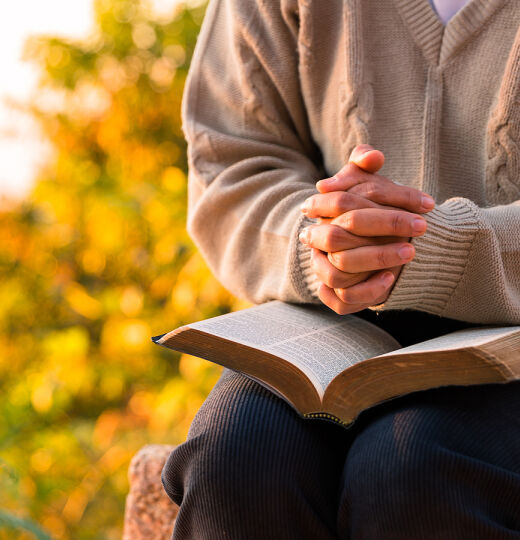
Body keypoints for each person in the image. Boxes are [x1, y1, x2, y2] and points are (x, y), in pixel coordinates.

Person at [161, 0, 520, 538]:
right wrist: (323, 245)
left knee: (414, 474)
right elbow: (230, 163)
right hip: (331, 322)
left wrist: (440, 250)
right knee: (236, 464)